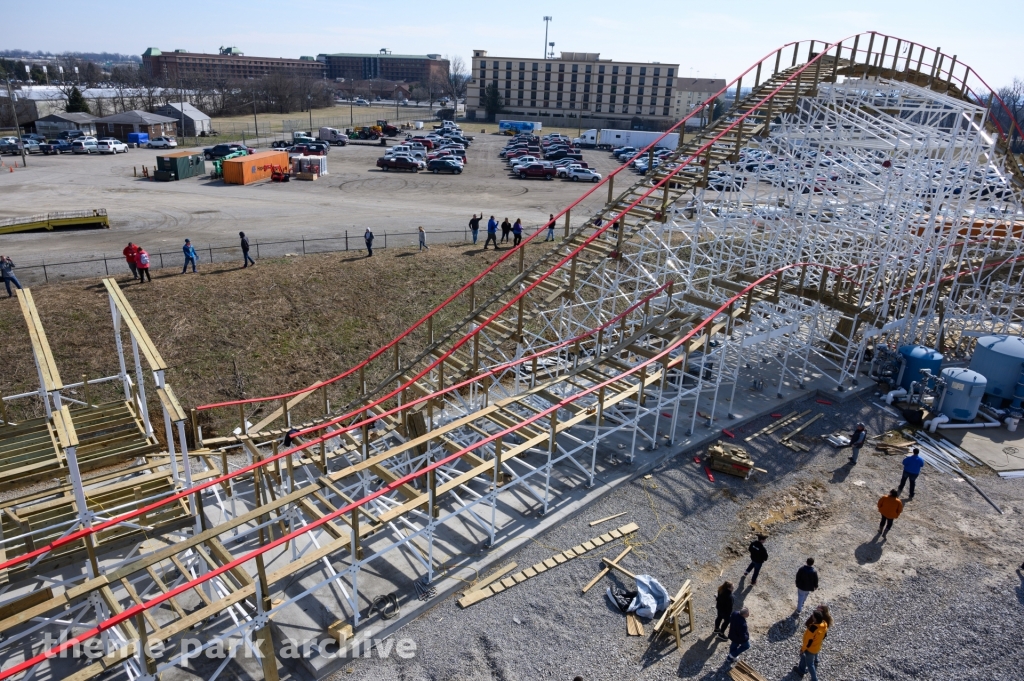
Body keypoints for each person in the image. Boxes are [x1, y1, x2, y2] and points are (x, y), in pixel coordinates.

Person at [794, 610, 828, 680]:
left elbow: (808, 641)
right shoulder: (824, 625)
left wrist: (802, 649)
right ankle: (801, 670)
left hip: (810, 649)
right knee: (804, 658)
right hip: (817, 646)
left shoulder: (812, 629)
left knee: (810, 664)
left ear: (815, 618)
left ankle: (814, 679)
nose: (812, 616)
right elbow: (825, 635)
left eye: (813, 616)